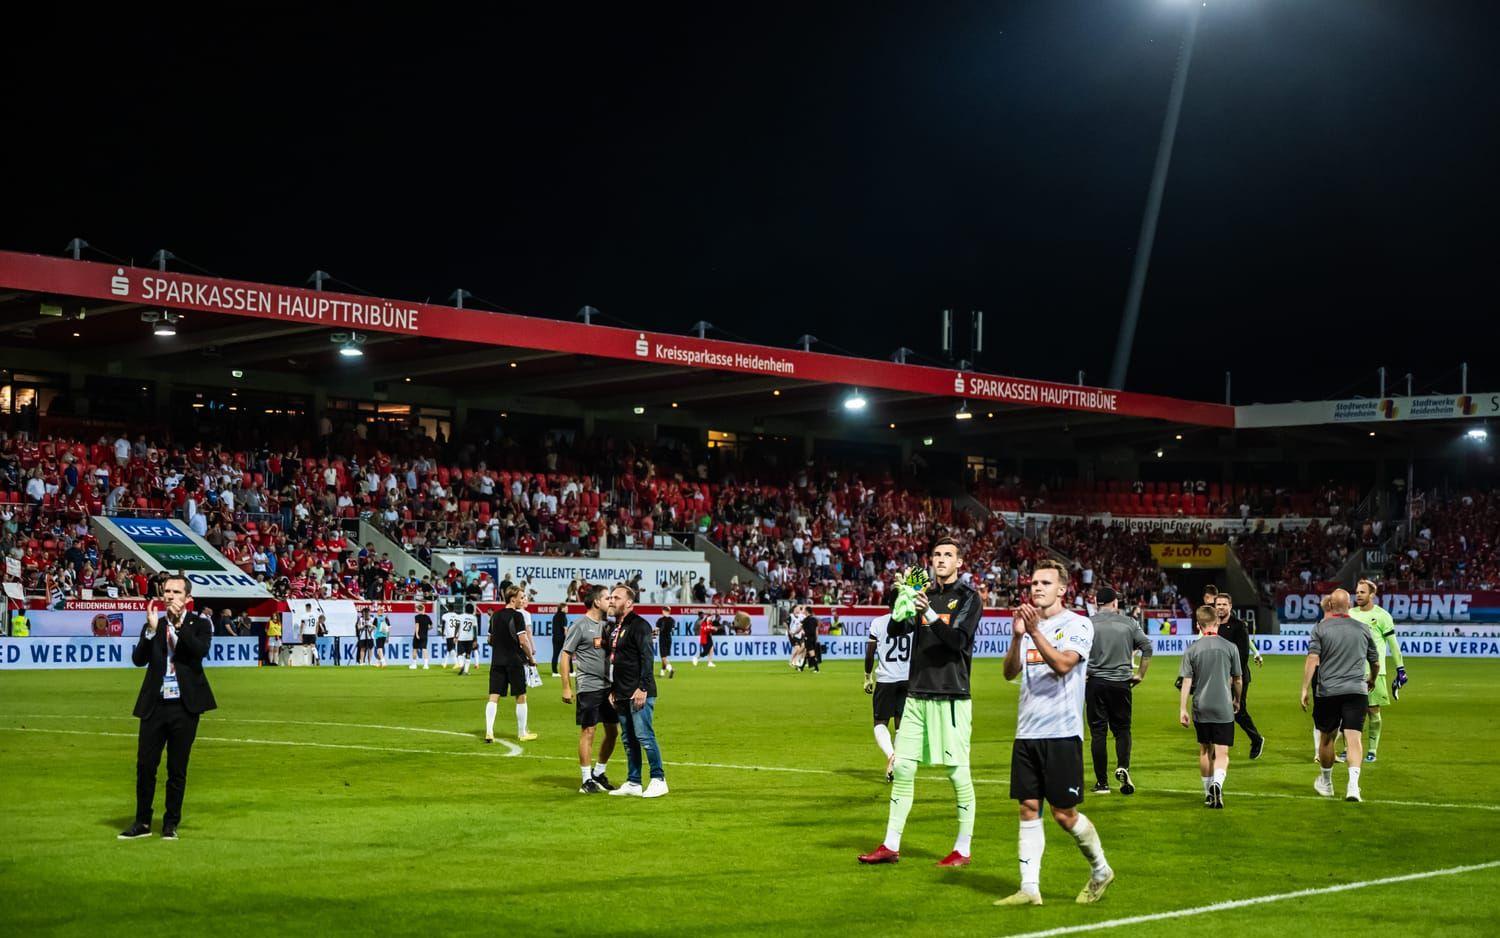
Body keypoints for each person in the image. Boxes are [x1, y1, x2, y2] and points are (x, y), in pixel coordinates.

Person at [994, 559, 1113, 907]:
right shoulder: (1026, 625)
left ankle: (1101, 869)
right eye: (1033, 583)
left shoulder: (1078, 624)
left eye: (1045, 583)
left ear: (1062, 589)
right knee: (1028, 808)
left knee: (1064, 814)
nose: (1036, 588)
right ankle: (1029, 888)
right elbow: (1008, 672)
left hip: (1062, 733)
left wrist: (1033, 633)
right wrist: (1017, 638)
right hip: (1026, 731)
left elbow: (1063, 665)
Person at [858, 537, 982, 868]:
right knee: (903, 767)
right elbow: (898, 629)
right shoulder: (923, 594)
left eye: (948, 555)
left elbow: (957, 642)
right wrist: (904, 599)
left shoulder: (969, 597)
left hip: (951, 695)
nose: (941, 560)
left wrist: (926, 609)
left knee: (957, 772)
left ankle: (963, 848)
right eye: (937, 555)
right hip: (915, 694)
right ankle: (890, 844)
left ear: (959, 563)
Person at [118, 576, 217, 840]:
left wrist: (179, 626)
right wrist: (150, 633)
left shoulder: (200, 624)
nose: (170, 596)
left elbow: (198, 652)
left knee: (177, 768)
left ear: (187, 597)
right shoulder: (154, 624)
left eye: (176, 591)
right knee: (145, 766)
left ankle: (170, 823)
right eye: (166, 591)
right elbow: (139, 660)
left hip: (185, 706)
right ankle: (142, 822)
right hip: (155, 704)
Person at [1301, 589, 1379, 802]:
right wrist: (1371, 678)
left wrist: (1305, 688)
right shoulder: (1363, 628)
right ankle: (1353, 786)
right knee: (1354, 739)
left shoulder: (1320, 628)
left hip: (1328, 692)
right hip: (1356, 690)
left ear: (1331, 605)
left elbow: (1312, 659)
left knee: (1327, 739)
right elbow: (1375, 660)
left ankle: (1326, 783)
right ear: (1349, 604)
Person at [1086, 587, 1153, 795]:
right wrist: (1140, 674)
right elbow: (1147, 647)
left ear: (1097, 603)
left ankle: (1102, 783)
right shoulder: (1129, 623)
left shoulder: (1087, 624)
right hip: (1121, 683)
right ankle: (1123, 766)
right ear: (1115, 603)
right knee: (1122, 730)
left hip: (1095, 683)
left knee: (1098, 733)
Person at [1178, 605, 1242, 809]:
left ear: (1198, 625)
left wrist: (1182, 709)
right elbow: (1238, 679)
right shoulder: (1230, 647)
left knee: (1205, 750)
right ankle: (1218, 783)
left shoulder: (1192, 650)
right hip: (1223, 704)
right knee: (1222, 753)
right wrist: (1237, 699)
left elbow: (1186, 682)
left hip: (1201, 706)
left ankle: (1208, 793)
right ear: (1217, 623)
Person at [606, 584, 667, 798]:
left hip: (638, 692)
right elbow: (618, 661)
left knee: (644, 736)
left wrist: (643, 687)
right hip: (622, 692)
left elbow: (647, 658)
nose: (611, 600)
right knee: (628, 740)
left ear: (629, 602)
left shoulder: (639, 625)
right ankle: (633, 782)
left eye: (616, 597)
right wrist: (613, 689)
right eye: (611, 597)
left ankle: (659, 779)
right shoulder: (616, 627)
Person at [560, 585, 619, 793]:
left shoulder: (607, 626)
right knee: (589, 731)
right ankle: (586, 780)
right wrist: (566, 687)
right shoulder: (581, 625)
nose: (610, 601)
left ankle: (598, 773)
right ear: (596, 601)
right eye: (607, 598)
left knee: (613, 732)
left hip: (608, 686)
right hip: (589, 686)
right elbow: (565, 655)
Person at [1346, 579, 1405, 763]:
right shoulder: (1349, 614)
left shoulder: (1382, 616)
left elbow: (1393, 645)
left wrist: (1400, 669)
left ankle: (1372, 749)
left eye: (1362, 592)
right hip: (1349, 672)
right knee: (1348, 712)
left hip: (1374, 672)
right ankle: (1348, 749)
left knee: (1373, 711)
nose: (1358, 595)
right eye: (1357, 592)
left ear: (1372, 594)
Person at [864, 596, 911, 782]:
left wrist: (867, 676)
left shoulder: (878, 622)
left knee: (880, 722)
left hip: (886, 679)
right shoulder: (911, 622)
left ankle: (891, 755)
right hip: (907, 679)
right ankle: (897, 760)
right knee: (901, 724)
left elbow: (870, 652)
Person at [1213, 593, 1265, 759]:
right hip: (1218, 675)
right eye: (1218, 604)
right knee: (1218, 710)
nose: (1221, 607)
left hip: (1238, 676)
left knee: (1238, 711)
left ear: (1230, 606)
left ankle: (1256, 739)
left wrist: (1233, 676)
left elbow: (1242, 655)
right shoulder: (1213, 625)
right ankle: (1219, 746)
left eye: (1224, 604)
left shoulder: (1239, 626)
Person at [486, 587, 539, 742]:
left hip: (497, 661)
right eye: (521, 597)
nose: (522, 600)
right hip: (514, 661)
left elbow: (490, 640)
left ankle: (489, 731)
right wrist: (530, 658)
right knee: (521, 696)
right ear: (512, 599)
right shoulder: (518, 616)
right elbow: (523, 641)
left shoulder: (495, 615)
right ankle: (522, 733)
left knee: (493, 697)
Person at [455, 602, 479, 676]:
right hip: (470, 638)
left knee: (459, 654)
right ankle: (465, 671)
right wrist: (475, 640)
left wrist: (455, 636)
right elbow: (475, 630)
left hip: (461, 637)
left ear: (465, 609)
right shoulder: (473, 618)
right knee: (468, 654)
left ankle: (462, 666)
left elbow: (457, 626)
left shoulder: (460, 616)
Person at [655, 606, 676, 678]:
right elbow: (673, 630)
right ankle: (662, 672)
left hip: (662, 639)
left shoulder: (660, 620)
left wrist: (652, 637)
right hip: (669, 639)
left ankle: (670, 669)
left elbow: (656, 631)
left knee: (663, 657)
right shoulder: (672, 620)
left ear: (664, 611)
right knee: (665, 657)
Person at [410, 602, 432, 669]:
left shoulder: (417, 617)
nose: (415, 610)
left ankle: (414, 665)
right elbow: (431, 626)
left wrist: (416, 634)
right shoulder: (428, 617)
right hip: (425, 635)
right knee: (424, 649)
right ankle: (426, 665)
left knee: (415, 649)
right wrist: (426, 629)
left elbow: (417, 625)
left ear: (418, 609)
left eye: (416, 609)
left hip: (418, 635)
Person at [550, 604, 568, 677]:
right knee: (567, 654)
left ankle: (554, 672)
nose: (567, 609)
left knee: (555, 655)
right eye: (566, 608)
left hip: (555, 638)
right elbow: (565, 629)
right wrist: (568, 638)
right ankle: (570, 671)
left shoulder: (555, 616)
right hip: (562, 638)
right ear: (562, 608)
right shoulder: (563, 615)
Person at [441, 602, 460, 668]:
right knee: (449, 649)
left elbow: (443, 625)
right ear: (453, 609)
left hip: (449, 634)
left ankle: (456, 663)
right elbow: (458, 625)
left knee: (451, 649)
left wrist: (442, 632)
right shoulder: (457, 616)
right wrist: (457, 634)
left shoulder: (445, 615)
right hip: (455, 634)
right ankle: (445, 663)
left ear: (448, 608)